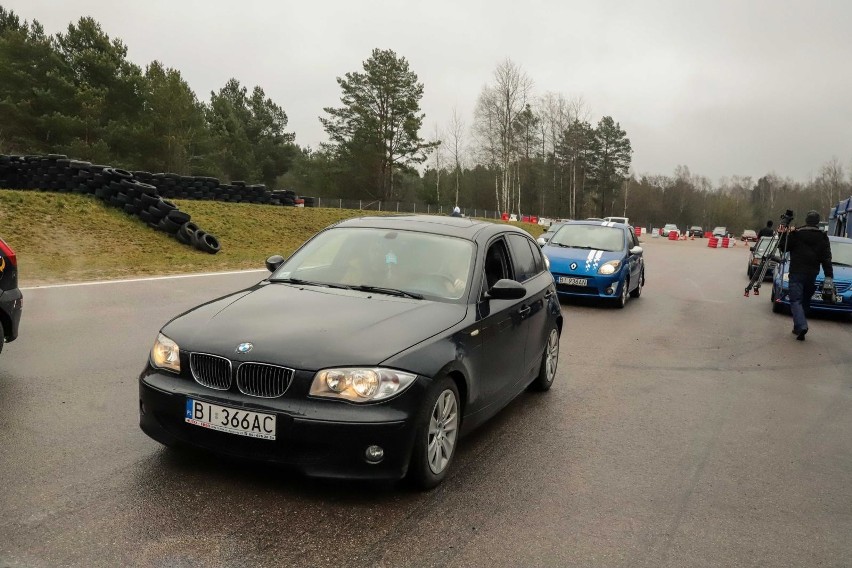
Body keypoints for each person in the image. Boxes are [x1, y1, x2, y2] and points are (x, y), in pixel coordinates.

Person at [777, 210, 833, 340]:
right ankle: (798, 327)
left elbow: (783, 247)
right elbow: (826, 259)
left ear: (806, 220)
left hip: (797, 272)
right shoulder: (823, 237)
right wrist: (828, 276)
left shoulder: (797, 234)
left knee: (795, 300)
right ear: (818, 222)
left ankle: (801, 325)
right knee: (805, 300)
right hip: (812, 274)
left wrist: (784, 233)